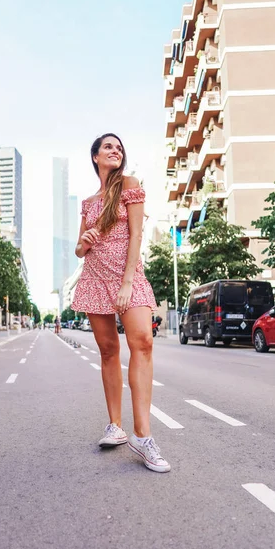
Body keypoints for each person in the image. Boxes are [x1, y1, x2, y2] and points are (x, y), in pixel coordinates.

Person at [71, 133, 170, 473]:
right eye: (108, 147)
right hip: (95, 277)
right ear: (95, 156)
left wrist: (128, 282)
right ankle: (116, 426)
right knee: (108, 350)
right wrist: (83, 243)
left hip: (127, 276)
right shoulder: (87, 202)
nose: (115, 151)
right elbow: (79, 249)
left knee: (142, 341)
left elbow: (137, 235)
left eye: (119, 147)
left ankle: (143, 437)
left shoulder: (129, 183)